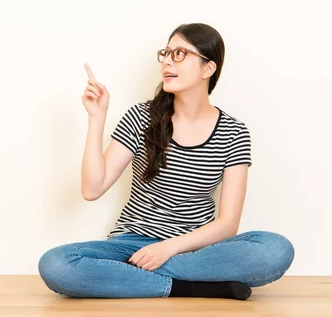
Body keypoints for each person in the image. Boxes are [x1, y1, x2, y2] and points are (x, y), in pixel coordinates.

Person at [37, 23, 294, 300]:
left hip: (196, 249)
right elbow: (92, 189)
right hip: (132, 245)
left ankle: (130, 276)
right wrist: (96, 118)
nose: (168, 62)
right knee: (56, 265)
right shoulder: (140, 117)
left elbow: (228, 224)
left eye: (180, 53)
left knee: (275, 249)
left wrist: (167, 249)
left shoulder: (234, 133)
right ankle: (194, 287)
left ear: (208, 69)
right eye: (167, 53)